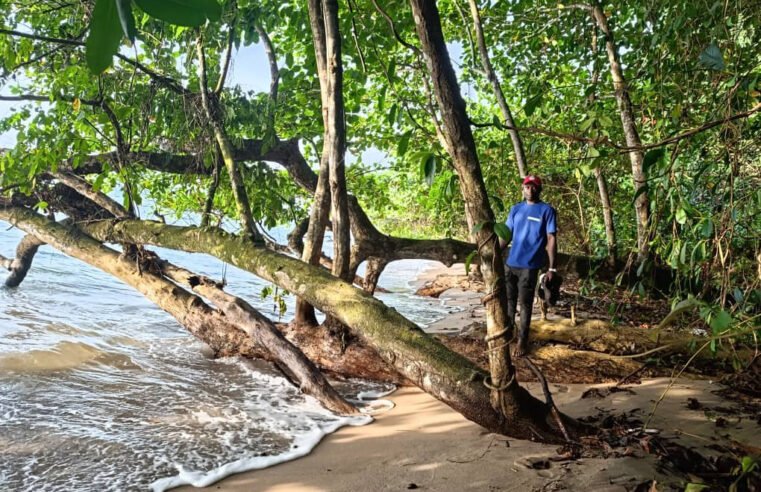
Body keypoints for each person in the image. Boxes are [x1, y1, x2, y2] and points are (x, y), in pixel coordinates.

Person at [503, 175, 557, 357]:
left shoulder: (547, 210)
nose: (530, 190)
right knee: (509, 302)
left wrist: (552, 268)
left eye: (534, 187)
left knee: (525, 304)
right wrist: (492, 252)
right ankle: (508, 334)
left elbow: (551, 238)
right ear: (522, 188)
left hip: (530, 266)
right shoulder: (516, 209)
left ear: (539, 189)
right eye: (527, 186)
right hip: (511, 264)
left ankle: (522, 341)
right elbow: (506, 234)